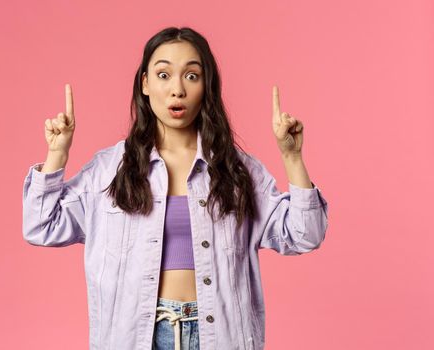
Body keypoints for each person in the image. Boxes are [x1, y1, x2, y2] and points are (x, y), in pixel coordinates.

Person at [22, 26, 329, 350]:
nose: (177, 90)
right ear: (145, 83)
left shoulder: (237, 171)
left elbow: (304, 234)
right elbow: (42, 226)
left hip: (219, 338)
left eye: (192, 76)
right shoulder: (109, 170)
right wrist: (57, 154)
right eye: (164, 74)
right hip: (137, 337)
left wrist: (292, 157)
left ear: (206, 86)